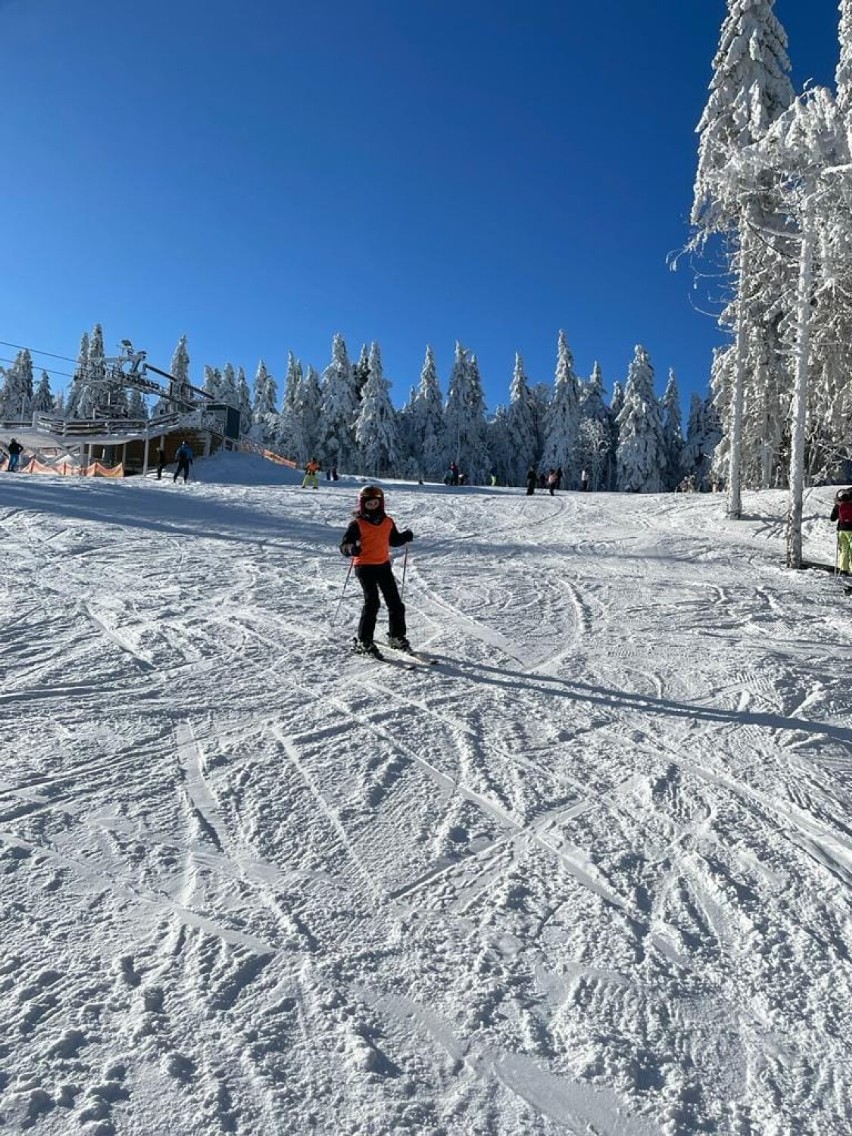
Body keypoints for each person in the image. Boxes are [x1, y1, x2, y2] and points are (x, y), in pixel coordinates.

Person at [339, 485, 414, 658]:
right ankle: (364, 641)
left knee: (395, 602)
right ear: (362, 504)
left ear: (380, 504)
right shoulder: (357, 524)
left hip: (383, 565)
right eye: (368, 504)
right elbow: (344, 545)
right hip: (364, 566)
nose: (372, 506)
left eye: (375, 503)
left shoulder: (388, 521)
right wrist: (351, 549)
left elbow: (393, 540)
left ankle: (396, 636)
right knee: (372, 602)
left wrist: (405, 537)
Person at [830, 488, 852, 574]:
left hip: (842, 530)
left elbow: (832, 518)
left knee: (844, 550)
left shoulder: (839, 505)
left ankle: (843, 569)